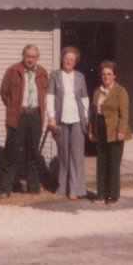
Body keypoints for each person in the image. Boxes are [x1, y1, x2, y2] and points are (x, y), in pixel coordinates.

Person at [0, 44, 49, 197]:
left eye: (33, 57)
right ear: (23, 56)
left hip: (35, 117)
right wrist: (13, 108)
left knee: (32, 153)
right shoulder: (13, 71)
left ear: (37, 58)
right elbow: (4, 92)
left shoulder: (43, 73)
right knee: (10, 154)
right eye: (28, 56)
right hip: (17, 117)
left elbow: (46, 95)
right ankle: (4, 189)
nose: (30, 59)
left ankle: (33, 188)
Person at [46, 46, 90, 200]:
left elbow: (85, 98)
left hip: (77, 119)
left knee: (77, 155)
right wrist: (51, 116)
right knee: (64, 154)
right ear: (62, 59)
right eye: (66, 58)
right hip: (61, 118)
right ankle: (62, 187)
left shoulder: (80, 76)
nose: (69, 61)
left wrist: (85, 118)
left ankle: (76, 189)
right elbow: (50, 96)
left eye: (72, 59)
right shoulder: (55, 75)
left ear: (75, 61)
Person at [89, 60, 131, 205]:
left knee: (113, 163)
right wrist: (91, 131)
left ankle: (113, 196)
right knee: (101, 162)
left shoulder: (120, 91)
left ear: (114, 76)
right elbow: (93, 114)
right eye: (104, 74)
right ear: (101, 76)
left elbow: (124, 114)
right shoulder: (97, 91)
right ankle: (101, 194)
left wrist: (121, 131)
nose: (106, 77)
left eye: (109, 74)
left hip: (114, 130)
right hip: (100, 128)